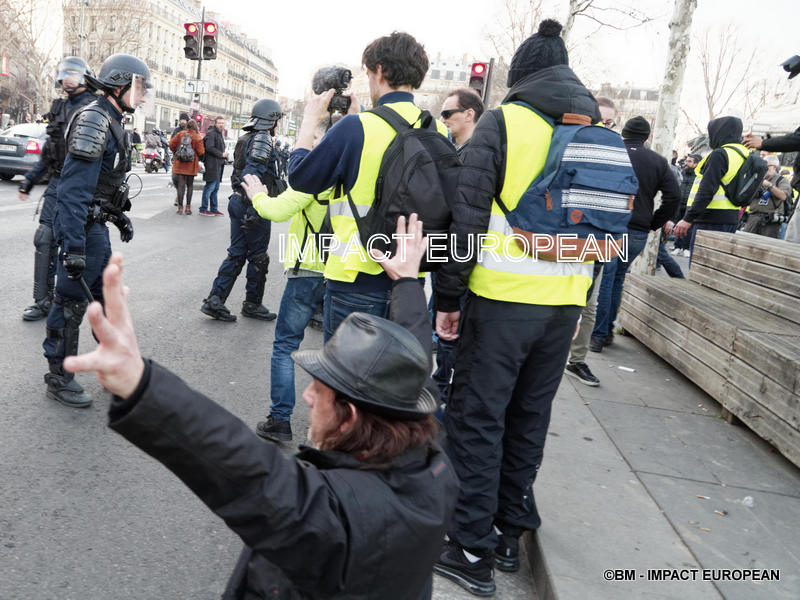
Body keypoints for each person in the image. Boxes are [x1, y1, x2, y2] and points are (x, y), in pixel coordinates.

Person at [62, 216, 458, 600]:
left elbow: (243, 467)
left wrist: (140, 384)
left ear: (350, 417)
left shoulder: (339, 522)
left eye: (318, 391)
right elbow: (411, 364)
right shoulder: (430, 460)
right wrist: (407, 281)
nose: (307, 397)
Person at [432, 20, 596, 596]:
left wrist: (449, 298)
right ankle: (508, 532)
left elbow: (468, 220)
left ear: (522, 73)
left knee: (478, 419)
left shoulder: (505, 122)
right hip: (563, 306)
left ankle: (469, 550)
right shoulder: (595, 128)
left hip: (501, 300)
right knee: (529, 419)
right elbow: (603, 228)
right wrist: (581, 305)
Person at [288, 31, 449, 340]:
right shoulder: (438, 130)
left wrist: (310, 120)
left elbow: (301, 178)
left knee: (345, 382)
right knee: (392, 381)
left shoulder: (357, 127)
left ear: (380, 71)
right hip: (409, 281)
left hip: (354, 279)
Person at [41, 53, 146, 407]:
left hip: (94, 224)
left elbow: (101, 186)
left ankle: (109, 367)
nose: (143, 94)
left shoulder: (112, 117)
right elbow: (73, 192)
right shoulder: (95, 120)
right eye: (139, 86)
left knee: (105, 300)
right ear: (121, 85)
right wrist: (72, 246)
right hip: (80, 226)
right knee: (69, 302)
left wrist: (118, 216)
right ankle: (58, 375)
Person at [242, 118, 334, 442]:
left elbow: (277, 210)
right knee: (336, 354)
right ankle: (333, 426)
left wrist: (257, 195)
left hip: (306, 270)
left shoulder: (314, 177)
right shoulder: (353, 175)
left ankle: (280, 419)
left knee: (285, 346)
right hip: (341, 273)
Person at [591, 116, 681, 352]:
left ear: (624, 133)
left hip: (609, 226)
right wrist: (654, 222)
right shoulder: (658, 162)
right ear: (647, 137)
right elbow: (674, 197)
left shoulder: (613, 153)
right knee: (618, 278)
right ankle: (607, 328)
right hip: (638, 230)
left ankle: (598, 334)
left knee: (605, 279)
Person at [18, 57, 98, 322]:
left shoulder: (93, 109)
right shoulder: (59, 107)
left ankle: (75, 301)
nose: (67, 79)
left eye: (73, 74)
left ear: (85, 78)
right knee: (44, 238)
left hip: (81, 186)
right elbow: (49, 152)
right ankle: (42, 301)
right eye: (64, 74)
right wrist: (29, 180)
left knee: (76, 247)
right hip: (56, 181)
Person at [200, 99, 283, 322]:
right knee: (258, 257)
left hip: (239, 201)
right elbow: (252, 173)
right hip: (252, 202)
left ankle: (215, 300)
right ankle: (252, 304)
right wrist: (255, 206)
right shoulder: (263, 138)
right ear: (272, 119)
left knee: (237, 253)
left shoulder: (247, 137)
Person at [432, 87, 484, 399]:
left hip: (459, 261)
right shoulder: (462, 151)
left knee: (449, 332)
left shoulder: (475, 156)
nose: (444, 119)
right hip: (449, 258)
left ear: (469, 114)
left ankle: (441, 392)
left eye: (448, 113)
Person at [563, 96, 617, 386]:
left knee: (589, 304)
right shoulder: (569, 142)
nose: (604, 126)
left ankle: (577, 360)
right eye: (599, 120)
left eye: (609, 122)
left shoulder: (615, 152)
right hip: (562, 236)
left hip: (595, 239)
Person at [673, 117, 748, 258]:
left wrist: (688, 218)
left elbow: (707, 189)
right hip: (730, 217)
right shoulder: (743, 153)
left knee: (699, 267)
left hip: (710, 219)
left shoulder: (720, 154)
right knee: (715, 267)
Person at [741, 154, 791, 238]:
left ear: (774, 167)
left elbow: (783, 196)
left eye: (766, 166)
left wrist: (769, 186)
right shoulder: (757, 178)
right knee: (746, 241)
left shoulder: (781, 180)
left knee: (766, 246)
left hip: (770, 221)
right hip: (753, 217)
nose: (763, 168)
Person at [169, 119, 204, 215]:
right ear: (195, 126)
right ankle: (188, 208)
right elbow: (201, 152)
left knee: (180, 186)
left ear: (187, 126)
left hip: (180, 164)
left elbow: (171, 144)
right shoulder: (197, 137)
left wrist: (176, 151)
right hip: (191, 165)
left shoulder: (180, 134)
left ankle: (180, 208)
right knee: (190, 186)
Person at [672, 153, 700, 256]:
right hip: (680, 204)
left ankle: (686, 248)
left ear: (696, 164)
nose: (686, 163)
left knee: (689, 228)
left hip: (690, 205)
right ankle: (677, 246)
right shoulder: (682, 173)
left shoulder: (698, 176)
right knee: (678, 226)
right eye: (686, 161)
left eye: (689, 161)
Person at [199, 116, 228, 216]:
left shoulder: (219, 134)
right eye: (219, 123)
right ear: (215, 123)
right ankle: (203, 209)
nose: (221, 125)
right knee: (210, 187)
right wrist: (221, 154)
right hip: (211, 164)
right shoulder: (212, 133)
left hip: (218, 164)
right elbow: (209, 147)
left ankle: (214, 209)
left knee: (215, 188)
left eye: (222, 123)